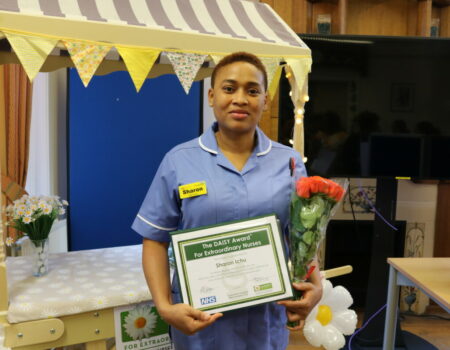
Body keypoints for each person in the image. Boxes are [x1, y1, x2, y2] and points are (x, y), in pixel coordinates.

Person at [132, 52, 322, 350]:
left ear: (266, 101)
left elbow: (303, 239)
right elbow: (154, 239)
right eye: (229, 88)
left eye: (253, 90)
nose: (240, 98)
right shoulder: (179, 162)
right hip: (200, 321)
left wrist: (317, 286)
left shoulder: (289, 162)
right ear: (211, 96)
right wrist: (165, 307)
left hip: (264, 319)